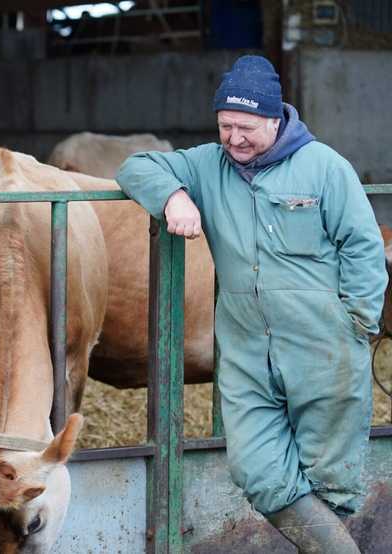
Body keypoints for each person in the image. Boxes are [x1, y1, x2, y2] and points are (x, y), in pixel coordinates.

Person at [116, 55, 387, 553]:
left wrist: (359, 323)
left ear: (275, 119)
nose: (235, 138)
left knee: (330, 483)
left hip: (326, 349)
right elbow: (135, 165)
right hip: (245, 356)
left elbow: (364, 246)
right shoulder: (206, 165)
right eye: (225, 126)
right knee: (257, 471)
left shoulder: (325, 167)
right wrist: (173, 196)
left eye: (246, 127)